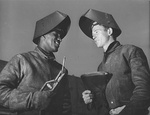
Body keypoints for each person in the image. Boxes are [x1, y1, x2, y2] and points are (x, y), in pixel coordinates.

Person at [79, 9, 150, 115]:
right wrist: (91, 100)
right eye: (92, 33)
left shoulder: (130, 51)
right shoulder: (101, 67)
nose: (93, 36)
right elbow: (103, 104)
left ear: (109, 31)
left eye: (96, 31)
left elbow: (144, 91)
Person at [0, 11, 71, 115]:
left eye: (61, 36)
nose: (60, 39)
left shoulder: (61, 71)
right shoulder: (22, 60)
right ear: (43, 35)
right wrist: (32, 100)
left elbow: (66, 107)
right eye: (56, 34)